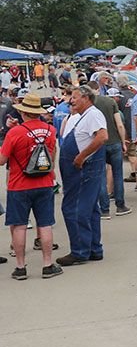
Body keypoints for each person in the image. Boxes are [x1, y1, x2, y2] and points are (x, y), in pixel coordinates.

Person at [0, 93, 62, 280]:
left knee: (19, 226)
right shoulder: (50, 130)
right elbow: (52, 155)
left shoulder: (15, 133)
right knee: (45, 224)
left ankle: (20, 267)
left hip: (19, 185)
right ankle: (47, 264)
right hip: (44, 183)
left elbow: (2, 160)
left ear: (24, 112)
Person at [57, 85, 108, 266]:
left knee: (75, 209)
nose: (71, 100)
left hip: (83, 171)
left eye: (75, 97)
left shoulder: (93, 114)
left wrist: (81, 156)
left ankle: (80, 251)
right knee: (90, 209)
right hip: (80, 171)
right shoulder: (84, 116)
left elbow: (102, 137)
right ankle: (94, 249)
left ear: (86, 98)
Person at [92, 83, 131, 219]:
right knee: (118, 174)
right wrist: (123, 142)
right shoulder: (110, 102)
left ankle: (104, 210)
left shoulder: (90, 104)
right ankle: (120, 206)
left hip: (99, 143)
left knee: (101, 176)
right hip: (114, 142)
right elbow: (119, 124)